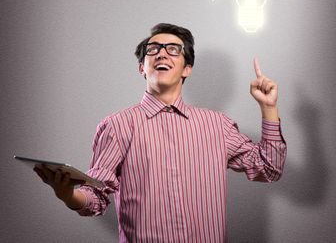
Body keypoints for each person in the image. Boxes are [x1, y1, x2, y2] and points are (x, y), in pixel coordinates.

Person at [34, 23, 286, 242]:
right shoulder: (118, 125)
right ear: (141, 68)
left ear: (187, 68)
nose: (161, 54)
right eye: (152, 50)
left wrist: (269, 107)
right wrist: (67, 193)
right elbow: (95, 197)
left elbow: (269, 168)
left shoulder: (217, 125)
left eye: (173, 49)